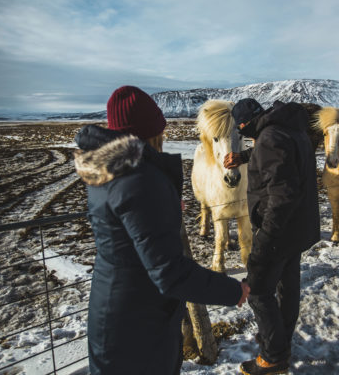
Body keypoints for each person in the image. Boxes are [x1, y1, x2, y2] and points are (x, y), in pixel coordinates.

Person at [73, 85, 250, 374]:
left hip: (119, 311)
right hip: (139, 324)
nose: (165, 136)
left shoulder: (110, 171)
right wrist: (233, 290)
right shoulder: (140, 180)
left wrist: (163, 210)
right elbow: (169, 272)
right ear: (150, 133)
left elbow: (129, 237)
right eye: (161, 130)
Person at [228, 98, 321, 375]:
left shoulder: (268, 139)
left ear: (244, 126)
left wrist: (266, 237)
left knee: (257, 290)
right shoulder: (291, 129)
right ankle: (280, 339)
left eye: (243, 132)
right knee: (287, 288)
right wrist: (244, 157)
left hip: (279, 230)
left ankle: (273, 357)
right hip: (298, 228)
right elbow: (282, 159)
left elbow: (281, 195)